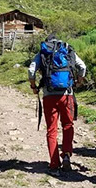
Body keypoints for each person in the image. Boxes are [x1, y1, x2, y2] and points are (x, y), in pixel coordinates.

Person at [28, 34, 86, 176]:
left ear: (47, 42)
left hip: (49, 95)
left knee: (52, 130)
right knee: (68, 125)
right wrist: (79, 81)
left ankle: (54, 164)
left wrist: (34, 86)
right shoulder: (67, 49)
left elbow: (31, 70)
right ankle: (66, 155)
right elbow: (82, 66)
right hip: (67, 95)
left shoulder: (43, 51)